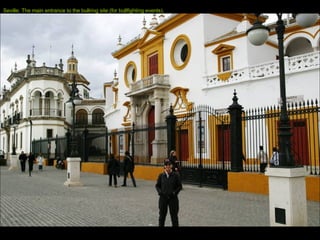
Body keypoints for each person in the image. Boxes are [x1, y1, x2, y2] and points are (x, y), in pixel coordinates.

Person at [155, 159, 183, 227]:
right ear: (164, 167)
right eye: (166, 165)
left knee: (174, 217)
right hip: (163, 199)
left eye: (169, 165)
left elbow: (179, 186)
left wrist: (174, 193)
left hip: (173, 199)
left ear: (171, 166)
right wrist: (160, 192)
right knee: (162, 217)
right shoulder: (161, 175)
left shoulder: (175, 175)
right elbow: (157, 186)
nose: (168, 167)